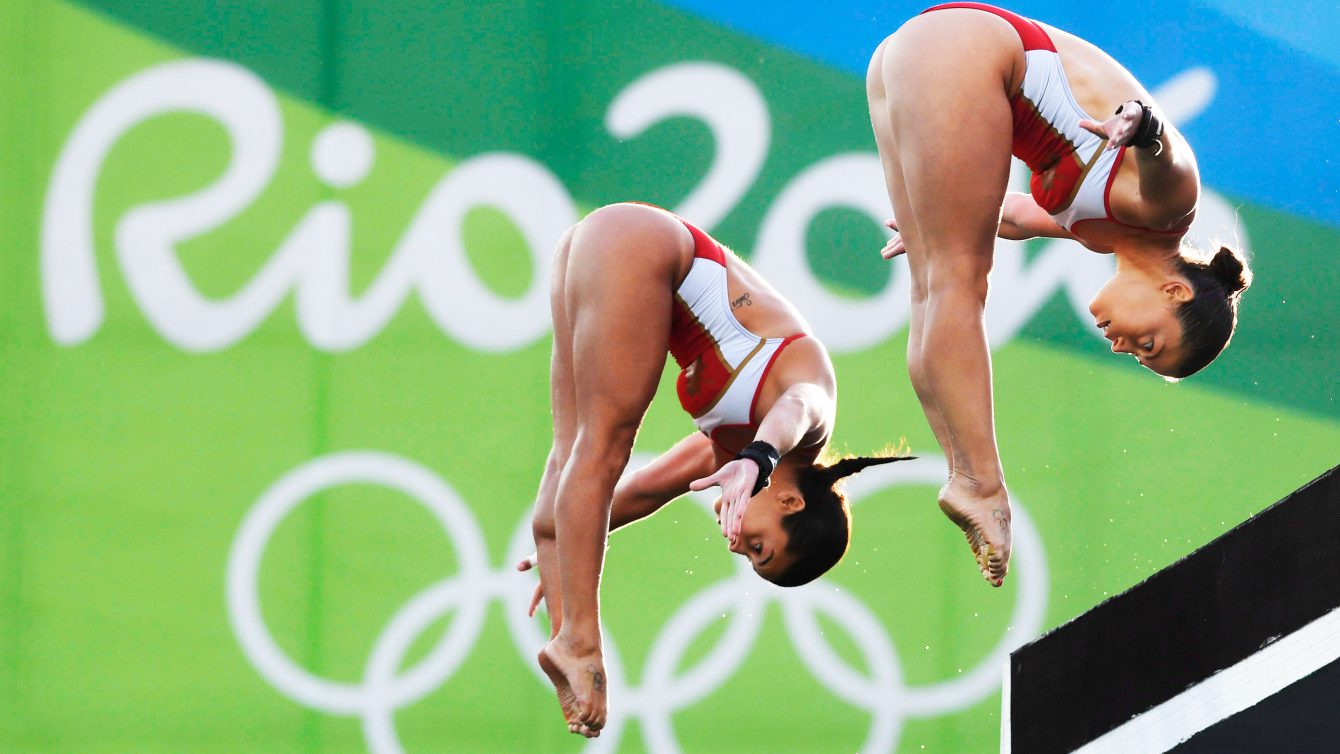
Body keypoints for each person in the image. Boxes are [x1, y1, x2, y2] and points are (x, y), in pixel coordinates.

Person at [865, 2, 1252, 588]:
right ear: (1174, 288)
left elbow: (1019, 216)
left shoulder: (1104, 236)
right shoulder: (1170, 205)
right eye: (1149, 343)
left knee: (931, 288)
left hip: (912, 57)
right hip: (973, 49)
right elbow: (1165, 150)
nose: (1125, 348)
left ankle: (962, 474)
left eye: (1138, 356)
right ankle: (983, 485)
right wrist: (1141, 127)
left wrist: (939, 209)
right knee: (955, 283)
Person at [526, 202, 905, 738]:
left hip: (595, 248)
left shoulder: (728, 452)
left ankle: (566, 634)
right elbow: (796, 406)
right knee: (600, 450)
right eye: (758, 549)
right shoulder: (805, 423)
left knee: (570, 466)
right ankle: (581, 644)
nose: (736, 548)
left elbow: (639, 495)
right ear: (791, 502)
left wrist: (572, 547)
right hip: (641, 244)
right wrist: (757, 461)